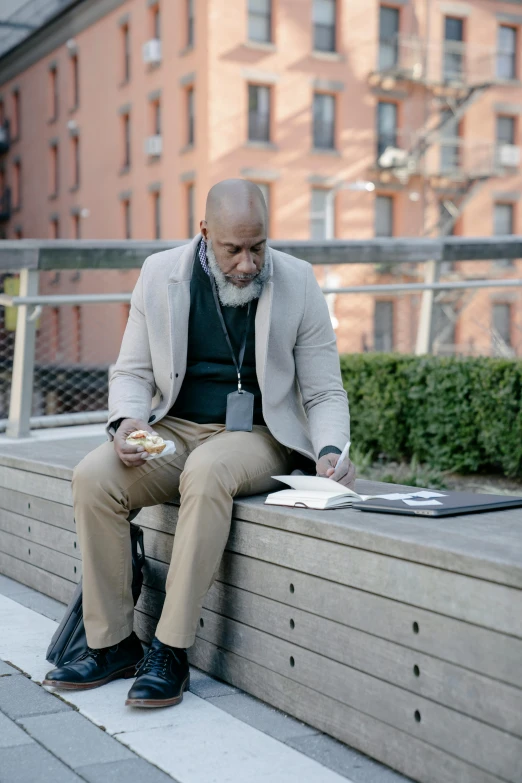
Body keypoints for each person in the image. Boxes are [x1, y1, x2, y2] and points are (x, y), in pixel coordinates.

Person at [44, 179, 354, 708]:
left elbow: (324, 389)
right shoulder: (160, 273)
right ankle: (113, 643)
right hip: (173, 429)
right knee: (93, 477)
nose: (249, 263)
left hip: (259, 434)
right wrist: (126, 426)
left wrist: (331, 451)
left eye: (258, 247)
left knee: (208, 471)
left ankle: (171, 647)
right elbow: (133, 372)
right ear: (205, 232)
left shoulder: (299, 281)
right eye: (234, 249)